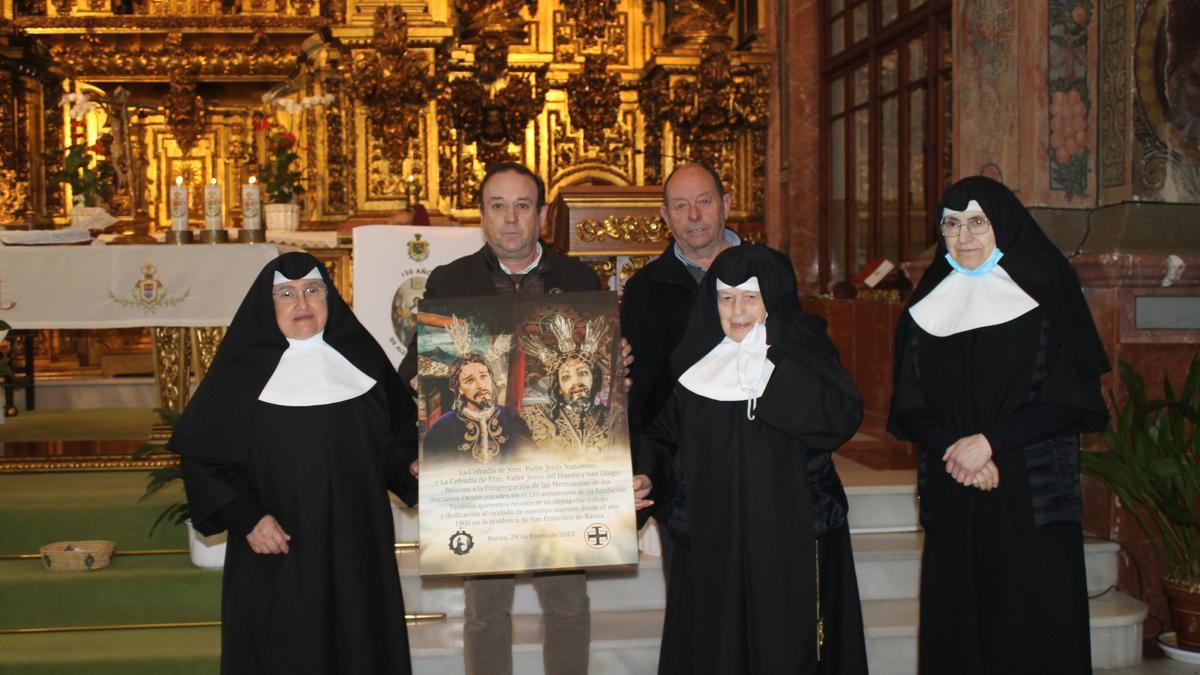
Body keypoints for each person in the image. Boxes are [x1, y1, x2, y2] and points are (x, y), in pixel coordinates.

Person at [887, 176, 1110, 674]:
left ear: (1002, 226)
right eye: (952, 225)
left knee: (1031, 630)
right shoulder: (927, 305)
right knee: (958, 627)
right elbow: (909, 405)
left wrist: (989, 444)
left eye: (977, 223)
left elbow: (1070, 400)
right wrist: (958, 450)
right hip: (955, 487)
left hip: (1029, 493)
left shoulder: (1047, 290)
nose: (964, 238)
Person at [170, 252, 418, 675]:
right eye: (286, 293)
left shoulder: (364, 362)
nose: (301, 302)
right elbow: (204, 459)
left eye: (312, 290)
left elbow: (393, 443)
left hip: (359, 546)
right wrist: (248, 519)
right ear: (267, 306)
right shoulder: (239, 376)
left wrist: (411, 468)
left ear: (330, 298)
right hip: (279, 548)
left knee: (363, 644)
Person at [398, 162, 600, 675]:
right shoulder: (451, 281)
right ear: (482, 217)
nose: (510, 219)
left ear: (542, 215)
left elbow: (603, 372)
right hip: (483, 469)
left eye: (523, 205)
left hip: (557, 469)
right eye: (498, 206)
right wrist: (422, 386)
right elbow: (414, 365)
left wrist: (618, 360)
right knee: (485, 610)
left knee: (568, 604)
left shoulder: (578, 279)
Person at [634, 244, 868, 675]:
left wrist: (767, 370)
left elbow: (840, 419)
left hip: (790, 539)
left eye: (750, 297)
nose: (737, 309)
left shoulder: (806, 352)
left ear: (772, 300)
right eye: (726, 297)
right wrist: (647, 475)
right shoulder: (692, 364)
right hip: (713, 538)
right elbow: (662, 437)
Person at [621, 161, 740, 566]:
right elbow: (641, 390)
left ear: (726, 203)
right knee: (693, 605)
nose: (694, 216)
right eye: (680, 205)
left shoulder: (768, 272)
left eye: (704, 202)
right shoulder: (645, 289)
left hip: (759, 464)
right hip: (683, 469)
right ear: (665, 216)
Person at [520, 315, 613, 454]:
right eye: (566, 377)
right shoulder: (536, 416)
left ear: (594, 379)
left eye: (582, 373)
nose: (576, 382)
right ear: (559, 388)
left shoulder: (611, 416)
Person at [423, 352, 534, 462]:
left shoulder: (511, 418)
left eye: (483, 376)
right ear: (459, 389)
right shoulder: (442, 429)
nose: (481, 386)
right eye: (470, 380)